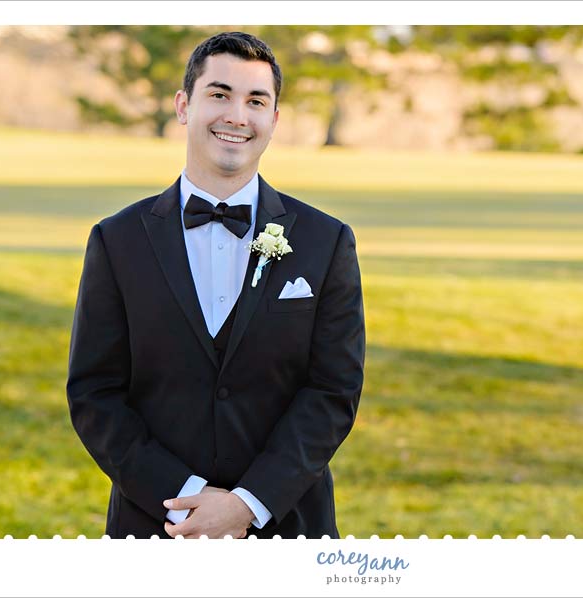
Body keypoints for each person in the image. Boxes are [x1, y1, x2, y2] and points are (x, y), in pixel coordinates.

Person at [66, 31, 365, 539]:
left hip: (289, 528)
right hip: (155, 527)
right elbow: (95, 394)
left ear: (275, 119)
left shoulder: (326, 241)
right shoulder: (116, 241)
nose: (237, 116)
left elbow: (332, 391)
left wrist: (249, 504)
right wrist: (184, 498)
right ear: (184, 105)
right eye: (219, 95)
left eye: (256, 101)